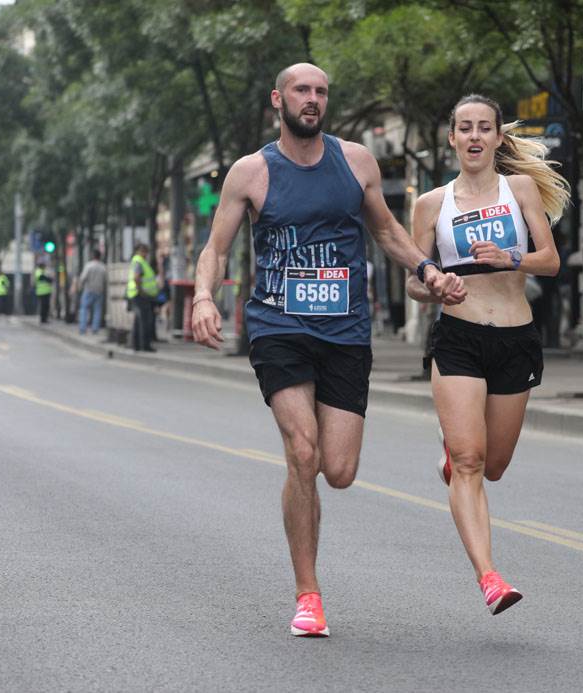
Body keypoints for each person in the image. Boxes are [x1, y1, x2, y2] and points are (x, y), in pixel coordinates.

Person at [190, 63, 465, 638]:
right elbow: (216, 248)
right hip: (278, 327)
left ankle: (312, 528)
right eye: (301, 91)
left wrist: (427, 270)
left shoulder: (357, 162)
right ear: (279, 100)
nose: (312, 100)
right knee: (303, 451)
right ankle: (308, 594)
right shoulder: (251, 172)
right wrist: (202, 298)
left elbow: (388, 231)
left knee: (338, 471)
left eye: (320, 92)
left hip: (344, 331)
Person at [405, 94, 569, 615]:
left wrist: (510, 256)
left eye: (484, 128)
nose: (474, 137)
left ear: (498, 138)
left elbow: (551, 261)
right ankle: (490, 577)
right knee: (472, 462)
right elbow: (414, 280)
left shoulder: (519, 189)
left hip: (514, 339)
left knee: (492, 465)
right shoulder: (431, 204)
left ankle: (455, 454)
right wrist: (434, 289)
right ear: (451, 138)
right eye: (464, 128)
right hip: (458, 338)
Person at [127, 243, 158, 352]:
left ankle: (136, 345)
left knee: (138, 320)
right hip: (140, 295)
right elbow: (136, 278)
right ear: (141, 251)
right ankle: (144, 345)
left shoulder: (138, 261)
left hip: (137, 294)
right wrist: (142, 291)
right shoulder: (139, 262)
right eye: (145, 252)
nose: (146, 254)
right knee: (145, 320)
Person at [77, 249, 107, 335]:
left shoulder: (89, 266)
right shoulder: (103, 267)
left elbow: (83, 278)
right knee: (97, 310)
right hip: (99, 291)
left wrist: (79, 286)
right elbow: (105, 280)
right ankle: (95, 329)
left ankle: (83, 329)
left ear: (93, 256)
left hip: (88, 290)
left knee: (84, 309)